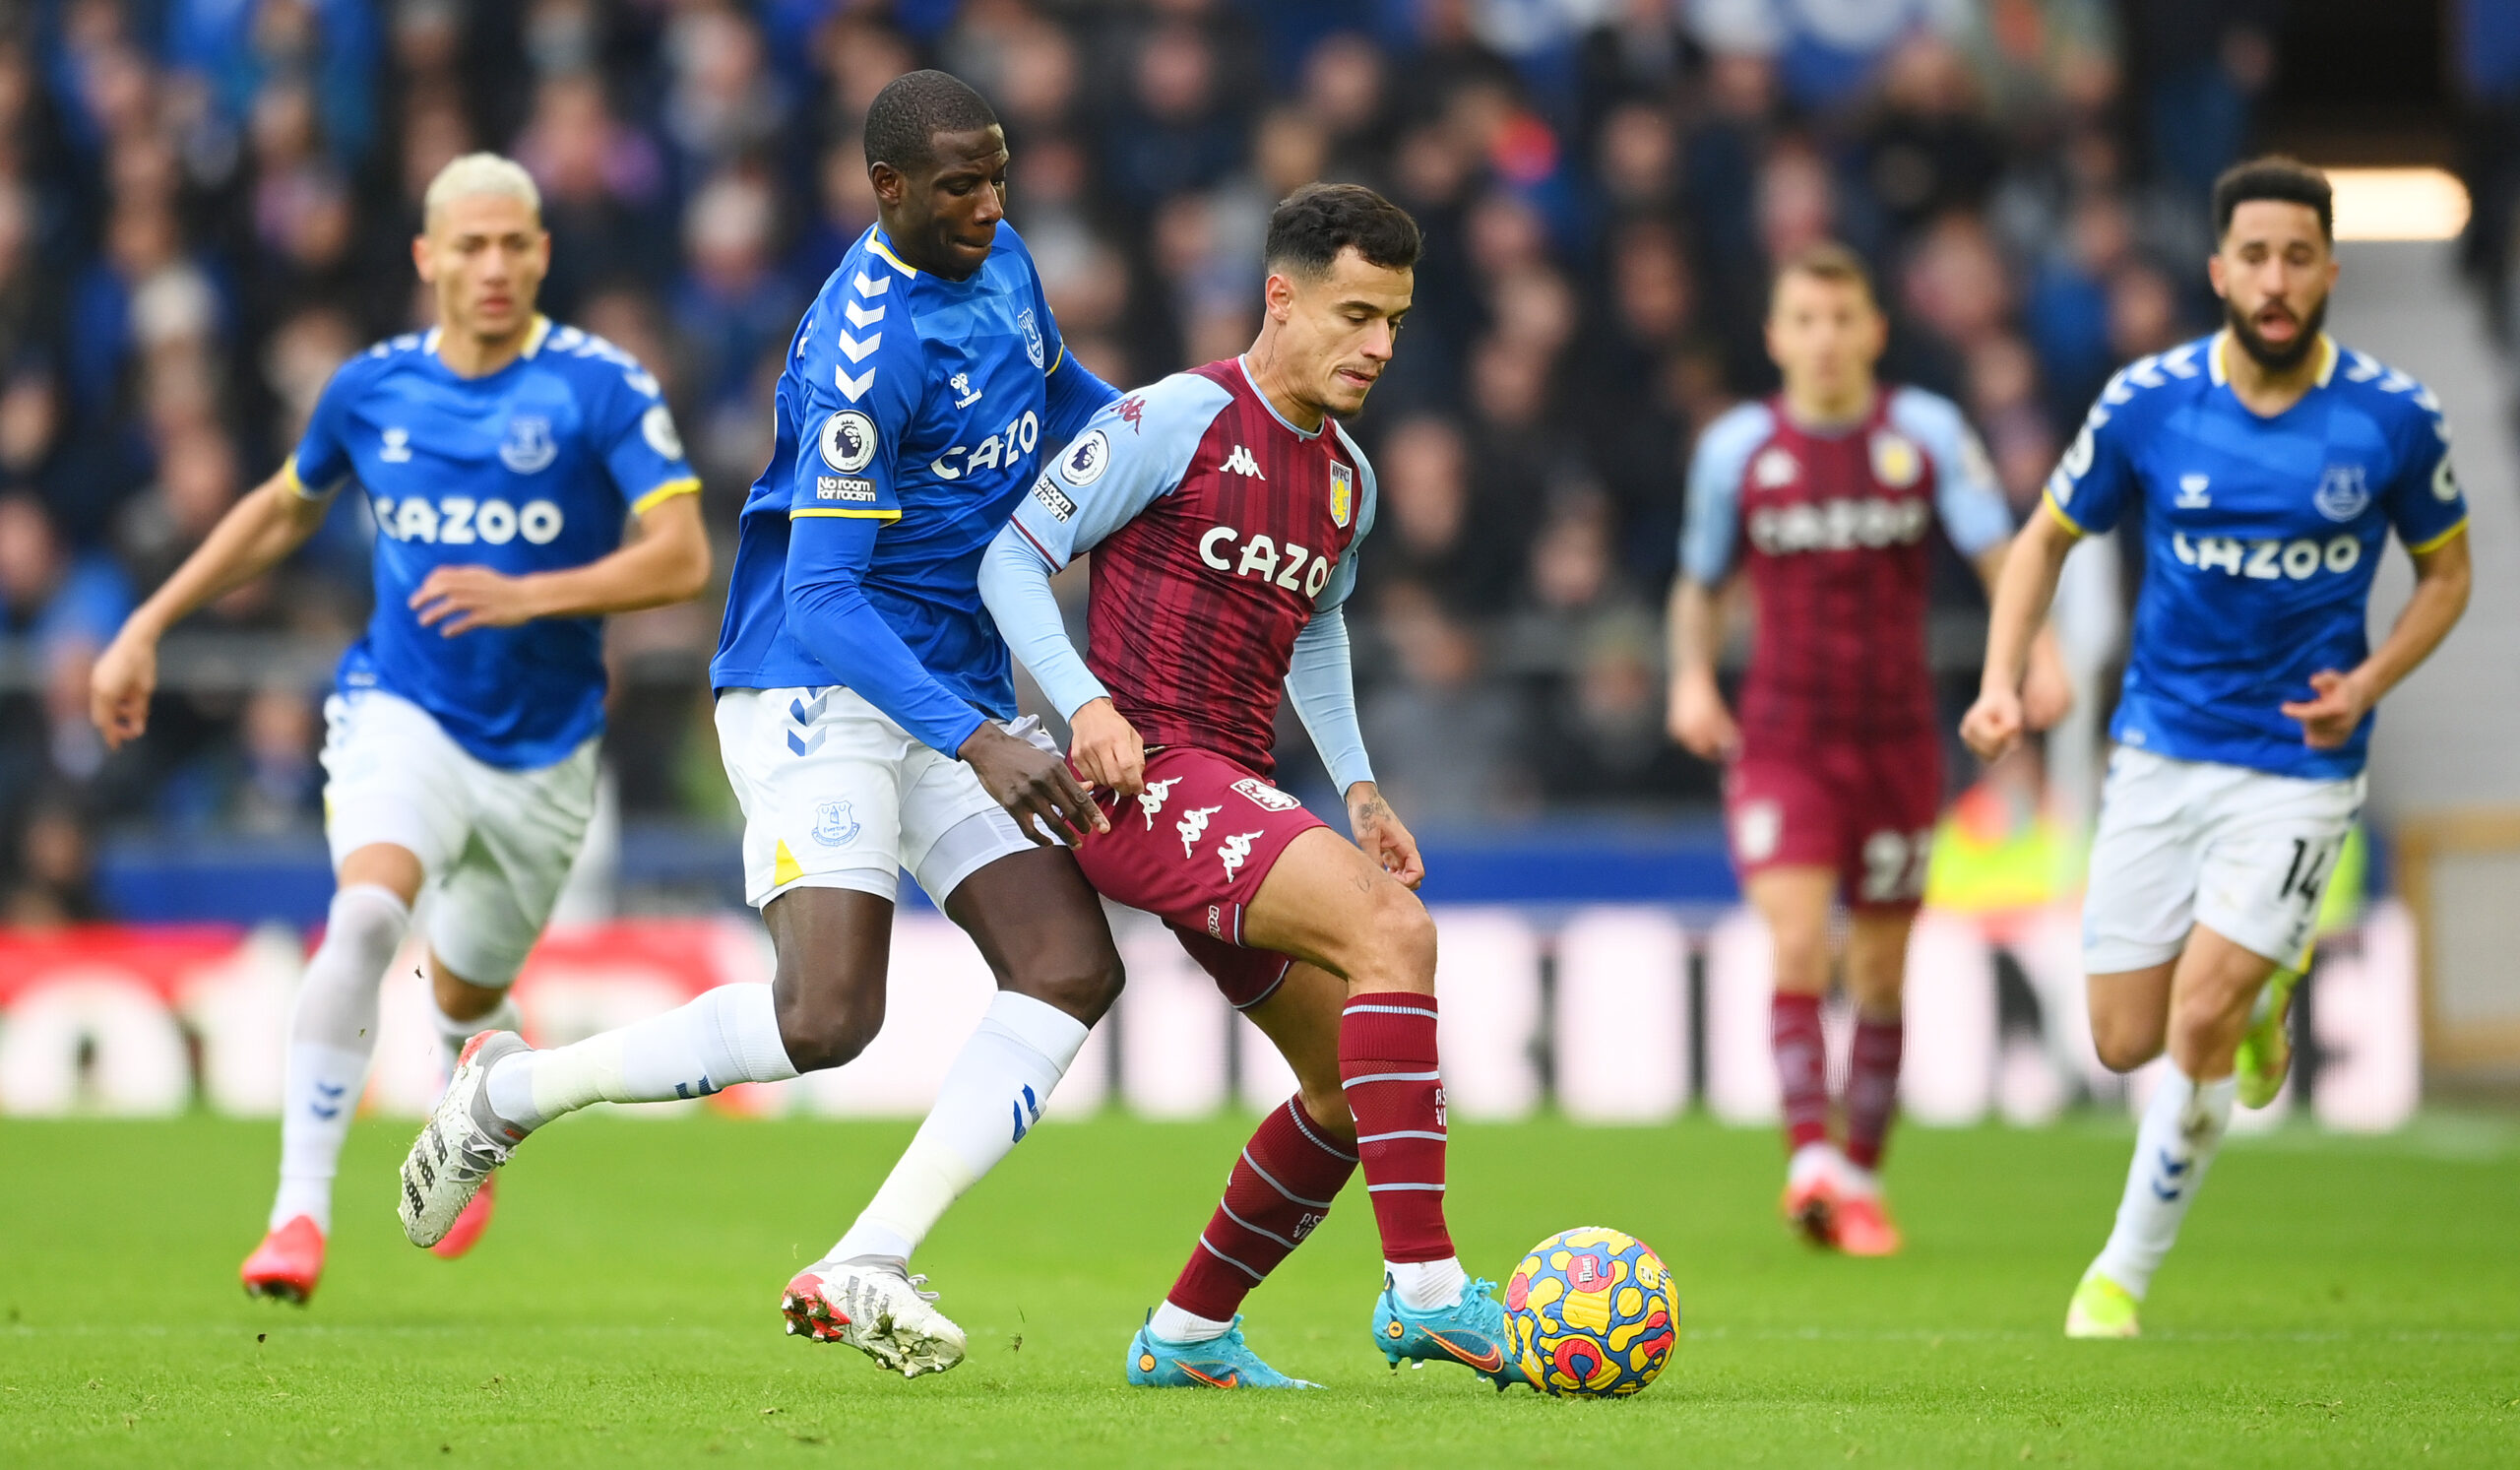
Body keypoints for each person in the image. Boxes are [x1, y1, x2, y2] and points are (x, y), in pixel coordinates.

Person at [393, 72, 1127, 1379]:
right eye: (960, 183)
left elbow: (1061, 394)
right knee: (829, 1016)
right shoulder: (863, 350)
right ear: (886, 189)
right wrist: (984, 739)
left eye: (998, 173)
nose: (990, 202)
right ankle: (508, 1092)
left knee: (1070, 965)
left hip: (947, 686)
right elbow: (830, 599)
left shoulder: (1004, 259)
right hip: (815, 686)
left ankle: (870, 1256)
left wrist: (1164, 439)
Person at [87, 153, 713, 1303]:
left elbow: (681, 555)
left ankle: (466, 1104)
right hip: (399, 707)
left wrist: (531, 592)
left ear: (541, 254)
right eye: (468, 245)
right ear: (427, 257)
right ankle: (296, 1214)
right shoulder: (369, 388)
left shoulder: (599, 386)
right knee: (368, 910)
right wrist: (148, 621)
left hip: (543, 750)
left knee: (470, 996)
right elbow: (284, 507)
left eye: (513, 243)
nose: (492, 265)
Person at [979, 183, 1520, 1391]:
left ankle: (1186, 1333)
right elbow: (1012, 557)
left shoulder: (1347, 483)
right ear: (1281, 296)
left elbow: (1314, 626)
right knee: (1396, 933)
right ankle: (1425, 1287)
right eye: (1356, 313)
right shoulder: (1174, 416)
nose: (1379, 345)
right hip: (1144, 776)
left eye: (1395, 321)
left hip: (1234, 786)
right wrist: (1088, 704)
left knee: (1344, 1092)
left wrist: (1362, 786)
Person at [1963, 157, 2471, 1338]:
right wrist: (2000, 681)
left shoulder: (2393, 417)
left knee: (2193, 1019)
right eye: (2255, 256)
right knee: (2123, 1036)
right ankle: (2261, 1003)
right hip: (2157, 751)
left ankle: (2118, 1275)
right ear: (2218, 270)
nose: (2276, 279)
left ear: (2330, 270)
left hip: (2298, 762)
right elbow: (2041, 540)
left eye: (2298, 256)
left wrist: (2374, 678)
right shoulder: (2149, 400)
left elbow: (2447, 575)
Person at [1667, 241, 2070, 1256]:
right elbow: (1699, 580)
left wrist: (2039, 656)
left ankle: (1860, 1175)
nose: (1826, 338)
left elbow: (1997, 553)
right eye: (1805, 319)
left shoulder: (1925, 434)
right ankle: (1809, 1156)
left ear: (1875, 331)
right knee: (1799, 941)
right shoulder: (1735, 450)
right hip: (1783, 739)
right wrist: (1687, 675)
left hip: (1896, 744)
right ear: (1776, 336)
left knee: (1883, 973)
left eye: (1843, 319)